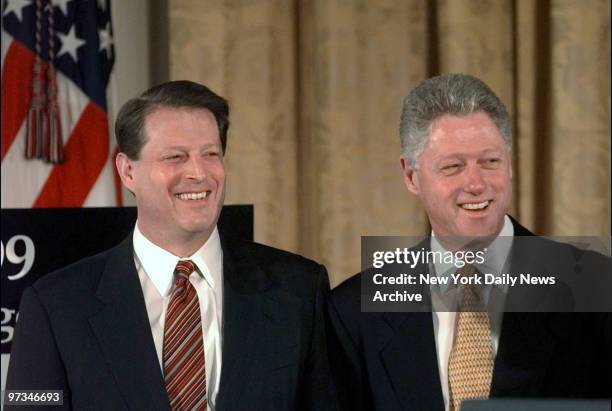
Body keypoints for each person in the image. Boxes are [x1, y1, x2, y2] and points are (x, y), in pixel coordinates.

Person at [6, 80, 338, 411]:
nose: (198, 172)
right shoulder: (55, 307)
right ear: (127, 171)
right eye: (175, 157)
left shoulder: (300, 291)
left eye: (211, 154)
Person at [327, 73, 611, 411]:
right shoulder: (355, 310)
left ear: (510, 165)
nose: (476, 184)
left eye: (490, 162)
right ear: (410, 176)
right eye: (452, 167)